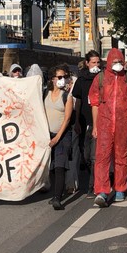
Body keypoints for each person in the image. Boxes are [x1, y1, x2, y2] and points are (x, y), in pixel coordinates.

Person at [89, 48, 127, 207]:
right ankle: (102, 191)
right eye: (115, 62)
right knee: (102, 158)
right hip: (104, 123)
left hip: (123, 123)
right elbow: (95, 103)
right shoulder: (100, 78)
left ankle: (120, 188)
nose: (118, 64)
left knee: (121, 156)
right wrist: (95, 125)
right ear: (109, 62)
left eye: (120, 62)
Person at [44, 64, 74, 210]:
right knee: (51, 167)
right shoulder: (45, 93)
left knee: (60, 166)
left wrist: (57, 138)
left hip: (62, 137)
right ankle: (56, 192)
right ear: (52, 79)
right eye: (60, 77)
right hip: (47, 136)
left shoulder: (67, 96)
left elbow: (67, 119)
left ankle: (57, 198)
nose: (63, 79)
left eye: (64, 77)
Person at [70, 51, 100, 195]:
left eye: (98, 62)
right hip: (84, 121)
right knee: (86, 155)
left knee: (94, 156)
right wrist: (76, 121)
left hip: (98, 122)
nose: (96, 65)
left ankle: (93, 185)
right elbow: (78, 101)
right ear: (87, 63)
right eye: (93, 62)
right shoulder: (81, 80)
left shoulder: (102, 78)